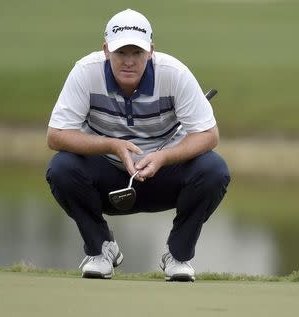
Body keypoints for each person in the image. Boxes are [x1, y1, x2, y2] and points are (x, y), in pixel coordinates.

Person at [45, 8, 230, 281]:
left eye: (137, 53)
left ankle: (178, 256)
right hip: (107, 176)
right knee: (62, 167)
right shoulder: (85, 72)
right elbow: (56, 135)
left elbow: (208, 134)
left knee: (213, 168)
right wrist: (112, 146)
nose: (128, 61)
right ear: (106, 50)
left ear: (151, 51)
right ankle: (100, 249)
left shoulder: (174, 73)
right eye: (121, 53)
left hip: (164, 173)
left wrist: (164, 157)